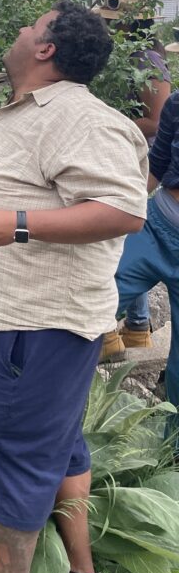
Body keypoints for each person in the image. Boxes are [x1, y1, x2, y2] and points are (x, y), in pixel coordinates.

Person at [0, 1, 147, 573]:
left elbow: (123, 210)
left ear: (47, 48)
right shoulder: (6, 104)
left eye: (29, 25)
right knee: (58, 444)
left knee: (14, 463)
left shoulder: (80, 119)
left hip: (27, 331)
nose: (18, 29)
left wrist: (19, 223)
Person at [96, 0, 171, 359]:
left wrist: (107, 121)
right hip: (132, 159)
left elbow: (156, 121)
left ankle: (116, 330)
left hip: (139, 158)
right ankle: (135, 327)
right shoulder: (132, 56)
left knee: (120, 243)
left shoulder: (149, 60)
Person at [115, 86, 179, 444]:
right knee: (95, 296)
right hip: (156, 225)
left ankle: (171, 456)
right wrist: (122, 210)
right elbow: (156, 166)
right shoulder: (177, 103)